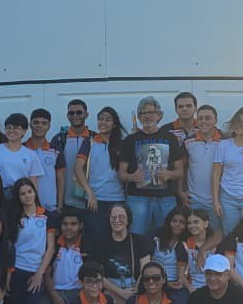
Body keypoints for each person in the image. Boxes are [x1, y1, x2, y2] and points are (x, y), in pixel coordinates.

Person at [119, 96, 186, 237]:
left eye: (151, 112)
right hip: (138, 198)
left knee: (169, 236)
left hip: (166, 197)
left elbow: (180, 171)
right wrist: (132, 177)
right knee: (137, 236)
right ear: (139, 117)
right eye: (143, 113)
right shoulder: (130, 140)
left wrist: (170, 174)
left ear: (159, 115)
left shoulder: (170, 138)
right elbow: (121, 174)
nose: (148, 116)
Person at [74, 106, 126, 247]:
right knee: (96, 239)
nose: (103, 122)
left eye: (108, 120)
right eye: (100, 119)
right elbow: (78, 169)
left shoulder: (122, 144)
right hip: (94, 200)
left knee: (117, 239)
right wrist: (90, 193)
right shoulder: (89, 142)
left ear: (114, 124)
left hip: (117, 199)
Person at [94, 203, 150, 304]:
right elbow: (98, 275)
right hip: (111, 293)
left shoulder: (139, 241)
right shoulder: (101, 244)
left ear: (128, 220)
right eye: (113, 217)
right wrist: (122, 293)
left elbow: (146, 269)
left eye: (121, 217)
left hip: (136, 292)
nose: (117, 220)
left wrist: (136, 290)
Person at [183, 104, 223, 231]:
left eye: (208, 118)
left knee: (217, 234)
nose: (204, 121)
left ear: (215, 120)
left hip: (219, 199)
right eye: (200, 118)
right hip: (195, 200)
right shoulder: (188, 142)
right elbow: (182, 168)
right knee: (195, 235)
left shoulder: (226, 141)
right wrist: (181, 191)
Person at [0, 113, 44, 193]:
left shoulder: (31, 154)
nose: (11, 131)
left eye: (16, 128)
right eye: (8, 128)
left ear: (24, 131)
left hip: (21, 194)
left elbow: (33, 182)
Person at [46, 206, 88, 304]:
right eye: (65, 224)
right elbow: (46, 274)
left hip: (77, 292)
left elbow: (92, 276)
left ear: (81, 226)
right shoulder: (53, 245)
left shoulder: (87, 245)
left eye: (73, 224)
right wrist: (54, 295)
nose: (69, 227)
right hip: (53, 290)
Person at [51, 100, 92, 212]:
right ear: (67, 115)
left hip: (90, 201)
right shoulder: (59, 139)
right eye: (71, 113)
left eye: (79, 112)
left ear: (86, 114)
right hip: (66, 202)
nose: (75, 116)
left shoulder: (95, 138)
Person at [151, 207, 189, 304]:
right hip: (153, 280)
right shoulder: (156, 238)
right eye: (174, 221)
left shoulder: (184, 244)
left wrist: (170, 284)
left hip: (174, 284)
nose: (177, 225)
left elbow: (180, 276)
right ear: (169, 221)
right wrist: (165, 283)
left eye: (182, 222)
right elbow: (147, 264)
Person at [25, 108, 60, 210]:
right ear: (30, 124)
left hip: (50, 206)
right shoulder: (21, 149)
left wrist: (60, 204)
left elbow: (60, 178)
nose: (39, 126)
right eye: (36, 122)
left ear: (49, 126)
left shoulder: (55, 150)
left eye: (44, 123)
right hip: (26, 206)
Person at [182, 207, 214, 293]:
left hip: (215, 286)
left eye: (196, 222)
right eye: (189, 223)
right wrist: (191, 289)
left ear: (206, 224)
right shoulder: (184, 244)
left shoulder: (215, 243)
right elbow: (181, 275)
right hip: (193, 287)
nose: (192, 226)